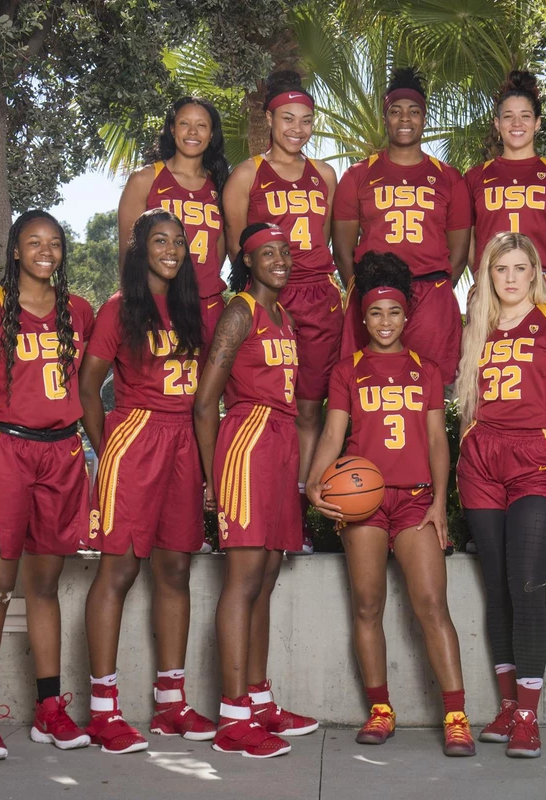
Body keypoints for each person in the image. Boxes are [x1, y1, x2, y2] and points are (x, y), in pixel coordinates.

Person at [305, 252, 475, 758]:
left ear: (406, 315)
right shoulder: (346, 370)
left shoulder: (426, 369)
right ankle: (380, 709)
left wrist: (441, 505)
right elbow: (334, 432)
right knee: (367, 605)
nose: (384, 322)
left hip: (416, 499)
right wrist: (314, 483)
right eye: (376, 313)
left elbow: (438, 441)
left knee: (431, 606)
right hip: (364, 503)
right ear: (363, 315)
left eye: (394, 313)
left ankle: (456, 716)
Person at [0, 210, 94, 761]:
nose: (45, 251)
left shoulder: (78, 311)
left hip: (60, 452)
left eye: (54, 243)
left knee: (45, 585)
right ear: (15, 251)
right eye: (33, 242)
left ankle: (49, 710)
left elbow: (84, 383)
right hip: (3, 447)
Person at [78, 208, 222, 754]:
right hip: (135, 436)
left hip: (183, 439)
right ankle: (103, 709)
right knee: (119, 570)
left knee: (177, 568)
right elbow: (89, 388)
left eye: (179, 241)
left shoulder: (190, 310)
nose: (172, 249)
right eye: (160, 241)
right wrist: (108, 445)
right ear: (140, 250)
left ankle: (170, 703)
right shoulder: (120, 309)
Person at [455, 232, 546, 758]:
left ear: (535, 272)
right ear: (488, 275)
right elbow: (467, 400)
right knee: (496, 587)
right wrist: (467, 450)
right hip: (482, 460)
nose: (509, 278)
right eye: (499, 269)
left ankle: (530, 715)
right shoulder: (478, 328)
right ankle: (508, 707)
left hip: (539, 458)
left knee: (527, 585)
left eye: (518, 268)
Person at [193, 223, 319, 758]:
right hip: (246, 441)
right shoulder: (239, 310)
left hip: (280, 441)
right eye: (268, 254)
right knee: (242, 581)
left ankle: (260, 701)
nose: (281, 260)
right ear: (247, 261)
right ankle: (232, 716)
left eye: (285, 253)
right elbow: (205, 402)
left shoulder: (284, 317)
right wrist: (211, 477)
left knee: (266, 578)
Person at [222, 71, 340, 553]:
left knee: (309, 409)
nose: (297, 128)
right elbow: (236, 247)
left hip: (318, 297)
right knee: (263, 406)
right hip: (270, 296)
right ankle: (247, 505)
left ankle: (299, 512)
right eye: (288, 118)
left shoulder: (326, 175)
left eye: (306, 120)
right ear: (269, 119)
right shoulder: (247, 173)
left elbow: (329, 240)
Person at [333, 66, 471, 384]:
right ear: (386, 117)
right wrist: (369, 294)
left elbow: (459, 254)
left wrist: (432, 292)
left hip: (431, 292)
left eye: (413, 111)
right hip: (373, 292)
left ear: (424, 118)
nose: (405, 119)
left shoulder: (450, 178)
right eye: (396, 111)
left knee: (428, 389)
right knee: (369, 387)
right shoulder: (357, 175)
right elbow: (342, 251)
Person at [465, 70, 546, 306]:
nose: (516, 124)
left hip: (542, 282)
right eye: (508, 117)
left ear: (537, 123)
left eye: (525, 116)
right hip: (491, 285)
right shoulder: (475, 177)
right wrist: (483, 276)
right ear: (497, 123)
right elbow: (469, 243)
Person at [117, 96, 230, 308]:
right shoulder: (145, 179)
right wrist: (135, 304)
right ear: (172, 129)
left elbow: (219, 252)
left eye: (202, 125)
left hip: (207, 304)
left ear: (212, 133)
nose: (193, 132)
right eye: (184, 123)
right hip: (158, 303)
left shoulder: (221, 185)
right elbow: (126, 254)